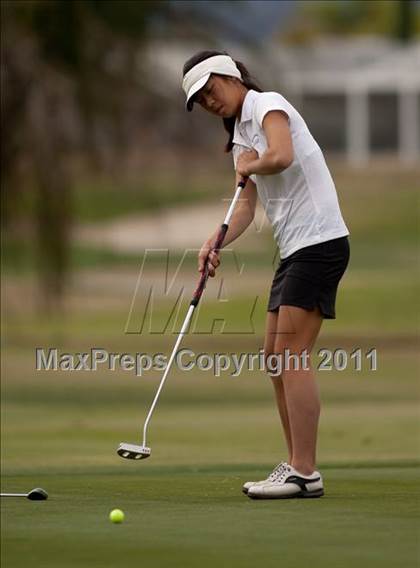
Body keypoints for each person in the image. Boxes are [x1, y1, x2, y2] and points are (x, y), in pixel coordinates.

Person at [182, 50, 350, 499]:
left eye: (210, 90)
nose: (209, 102)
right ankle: (295, 464)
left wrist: (251, 163)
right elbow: (246, 205)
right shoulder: (240, 136)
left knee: (292, 355)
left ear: (230, 76)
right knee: (274, 359)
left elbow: (281, 154)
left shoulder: (266, 104)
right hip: (294, 249)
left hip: (321, 242)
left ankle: (305, 472)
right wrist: (213, 242)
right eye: (200, 101)